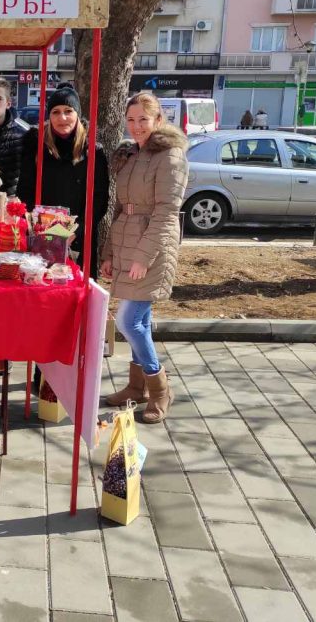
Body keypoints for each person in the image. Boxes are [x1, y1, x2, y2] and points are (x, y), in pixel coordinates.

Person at [100, 92, 188, 425]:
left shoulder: (170, 156)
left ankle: (160, 389)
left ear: (158, 120)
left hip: (152, 248)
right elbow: (121, 208)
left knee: (128, 321)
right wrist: (109, 253)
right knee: (140, 320)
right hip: (127, 243)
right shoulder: (132, 155)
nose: (137, 126)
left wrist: (143, 257)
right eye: (131, 120)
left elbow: (166, 212)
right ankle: (136, 387)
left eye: (144, 119)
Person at [17, 85, 110, 278]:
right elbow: (25, 191)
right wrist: (38, 228)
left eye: (68, 111)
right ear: (49, 116)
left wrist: (77, 230)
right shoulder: (36, 147)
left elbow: (99, 199)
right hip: (42, 235)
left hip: (79, 238)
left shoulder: (93, 151)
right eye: (56, 112)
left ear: (77, 114)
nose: (62, 118)